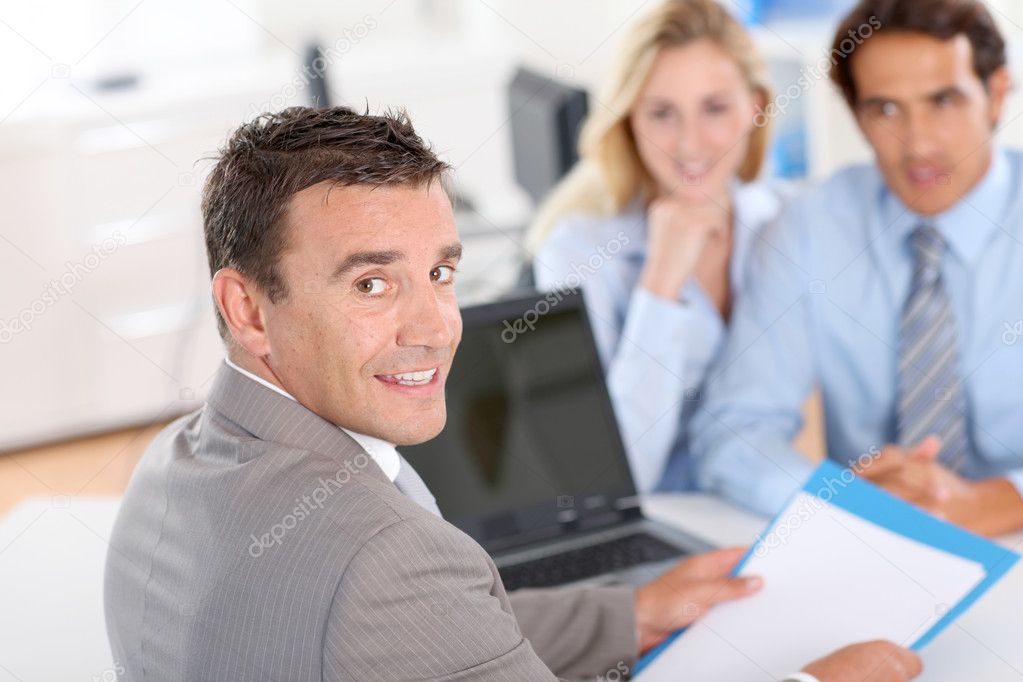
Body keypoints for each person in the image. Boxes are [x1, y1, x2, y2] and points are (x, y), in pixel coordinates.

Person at [103, 106, 920, 681]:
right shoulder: (387, 562)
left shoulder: (168, 468)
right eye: (373, 283)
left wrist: (630, 614)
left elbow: (432, 639)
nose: (435, 327)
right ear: (247, 308)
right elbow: (403, 608)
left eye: (440, 272)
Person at [691, 0, 1023, 538]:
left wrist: (997, 502)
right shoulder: (811, 226)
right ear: (857, 115)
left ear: (997, 93)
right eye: (885, 110)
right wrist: (841, 500)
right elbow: (735, 430)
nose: (918, 144)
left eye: (943, 101)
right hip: (873, 546)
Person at [529, 0, 790, 495]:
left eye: (714, 108)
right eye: (662, 113)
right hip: (664, 531)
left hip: (769, 503)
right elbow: (607, 482)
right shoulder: (578, 252)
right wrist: (661, 283)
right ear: (630, 119)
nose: (689, 144)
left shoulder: (783, 220)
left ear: (754, 107)